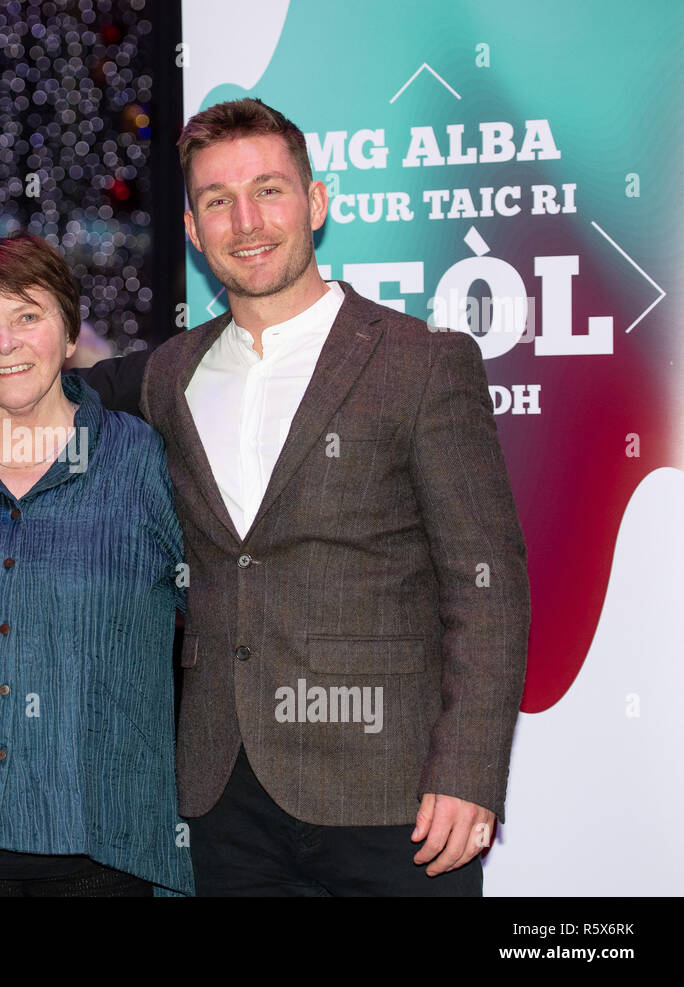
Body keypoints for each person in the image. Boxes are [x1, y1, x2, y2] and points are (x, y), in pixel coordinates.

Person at [139, 97, 529, 895]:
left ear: (316, 203)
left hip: (396, 797)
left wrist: (471, 771)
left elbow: (487, 584)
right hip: (227, 796)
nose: (246, 220)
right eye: (218, 200)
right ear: (192, 226)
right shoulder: (168, 375)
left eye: (269, 190)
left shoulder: (421, 362)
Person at [0, 234, 191, 896]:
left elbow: (228, 612)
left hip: (106, 847)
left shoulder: (148, 461)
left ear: (71, 329)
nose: (4, 342)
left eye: (28, 315)